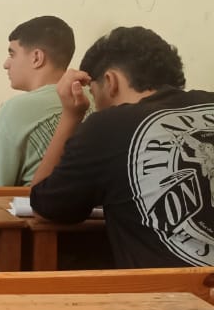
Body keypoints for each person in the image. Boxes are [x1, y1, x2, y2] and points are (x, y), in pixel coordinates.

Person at [30, 27, 214, 269]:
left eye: (93, 94)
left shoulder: (108, 125)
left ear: (110, 81)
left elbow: (44, 208)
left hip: (175, 290)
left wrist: (71, 115)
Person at [0, 15, 75, 187]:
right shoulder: (89, 98)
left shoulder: (17, 109)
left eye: (12, 54)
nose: (6, 64)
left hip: (30, 204)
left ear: (36, 58)